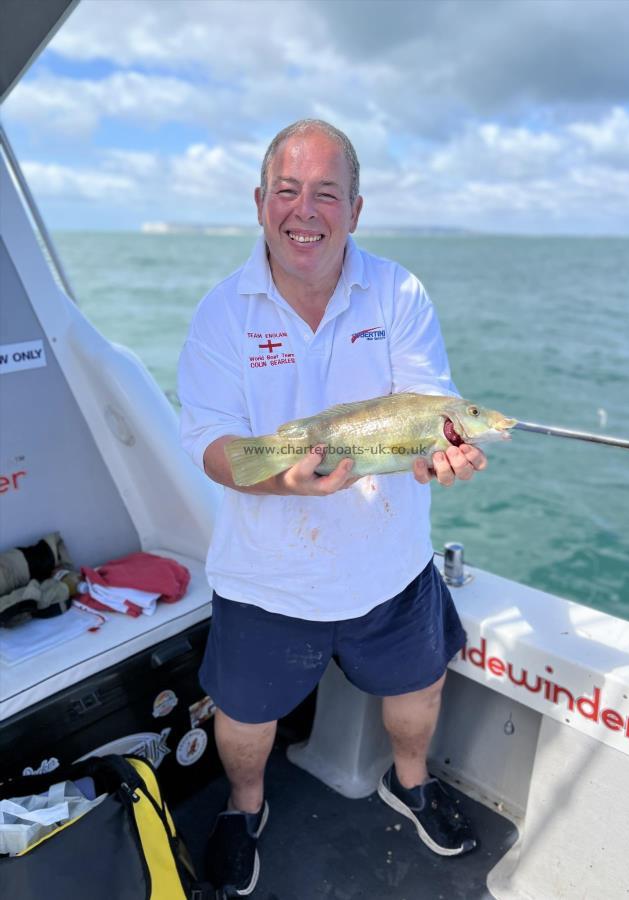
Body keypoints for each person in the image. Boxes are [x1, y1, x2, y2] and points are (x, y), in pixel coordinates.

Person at [178, 119, 487, 897]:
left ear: (356, 207)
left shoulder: (398, 292)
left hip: (389, 565)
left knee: (418, 691)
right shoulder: (221, 315)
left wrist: (441, 451)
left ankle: (408, 782)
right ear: (259, 202)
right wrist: (281, 482)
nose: (304, 210)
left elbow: (425, 411)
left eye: (326, 192)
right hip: (266, 578)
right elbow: (212, 442)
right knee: (246, 715)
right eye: (287, 190)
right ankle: (243, 808)